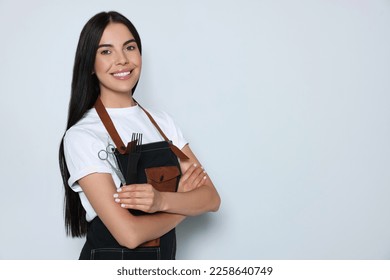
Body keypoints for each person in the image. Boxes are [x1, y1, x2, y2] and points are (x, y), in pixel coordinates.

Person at [58, 11, 220, 260]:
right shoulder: (82, 135)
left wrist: (162, 201)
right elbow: (129, 234)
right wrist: (182, 204)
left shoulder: (163, 123)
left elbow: (210, 198)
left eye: (129, 47)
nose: (122, 60)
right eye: (106, 51)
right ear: (90, 64)